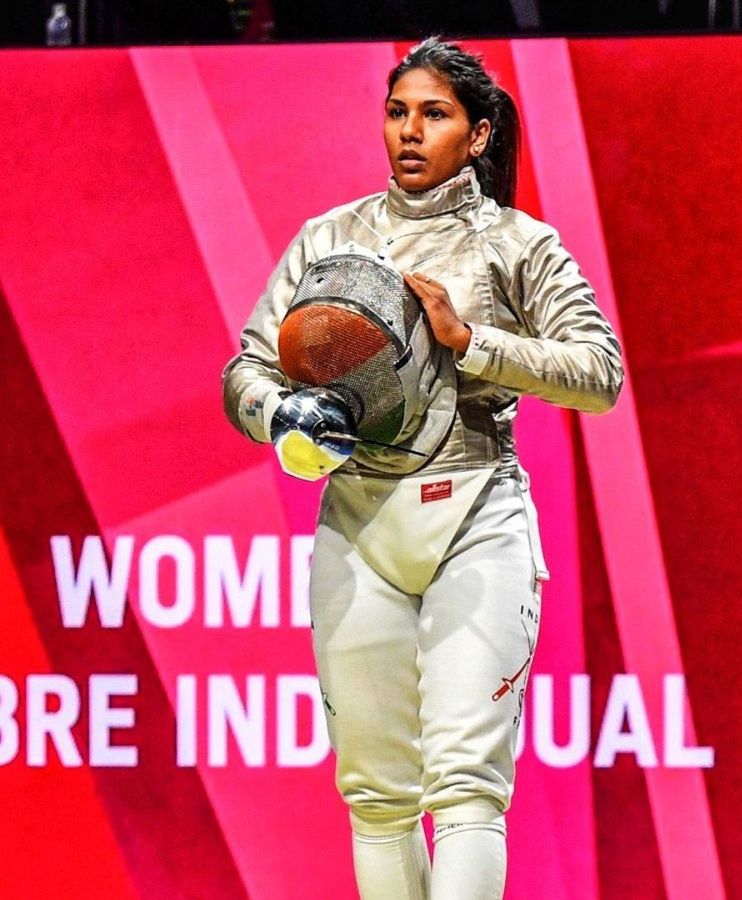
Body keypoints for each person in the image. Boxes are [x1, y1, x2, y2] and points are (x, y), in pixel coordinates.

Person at [220, 36, 623, 900]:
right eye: (398, 112)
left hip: (477, 517)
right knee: (376, 797)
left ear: (477, 136)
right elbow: (245, 368)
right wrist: (280, 411)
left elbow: (600, 373)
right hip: (360, 526)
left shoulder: (518, 245)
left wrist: (471, 343)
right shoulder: (328, 238)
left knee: (468, 785)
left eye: (434, 114)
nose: (410, 131)